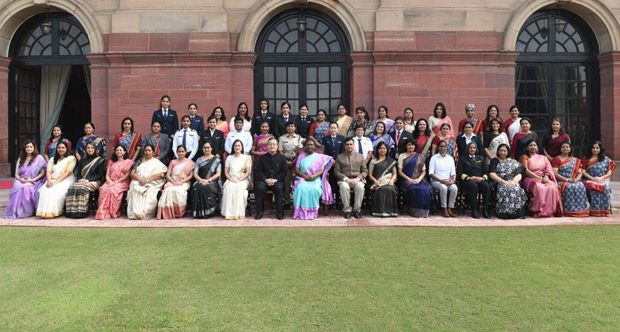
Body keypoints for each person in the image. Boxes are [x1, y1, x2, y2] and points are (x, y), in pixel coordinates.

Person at [3, 140, 47, 219]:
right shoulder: (21, 159)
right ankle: (15, 211)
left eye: (31, 147)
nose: (29, 148)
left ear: (34, 148)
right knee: (17, 186)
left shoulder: (39, 158)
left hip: (34, 181)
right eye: (27, 147)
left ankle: (28, 211)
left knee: (26, 188)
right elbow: (16, 173)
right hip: (21, 180)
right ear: (24, 148)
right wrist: (20, 179)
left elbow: (42, 173)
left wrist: (32, 180)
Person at [293, 138, 334, 220]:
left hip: (315, 179)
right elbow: (297, 169)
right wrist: (305, 177)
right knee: (300, 188)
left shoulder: (319, 157)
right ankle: (301, 212)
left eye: (312, 145)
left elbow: (322, 169)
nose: (310, 146)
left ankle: (312, 212)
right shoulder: (301, 156)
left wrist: (314, 176)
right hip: (302, 178)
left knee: (315, 189)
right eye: (308, 145)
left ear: (314, 146)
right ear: (305, 147)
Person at [520, 140, 562, 218]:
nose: (533, 147)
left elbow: (548, 169)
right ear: (527, 148)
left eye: (534, 145)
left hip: (543, 178)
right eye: (531, 145)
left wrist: (546, 177)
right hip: (530, 179)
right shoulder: (524, 157)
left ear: (537, 147)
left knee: (552, 186)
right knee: (539, 186)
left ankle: (550, 211)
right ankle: (537, 211)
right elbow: (525, 171)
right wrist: (539, 178)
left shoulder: (543, 158)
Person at [65, 142, 106, 218]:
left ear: (95, 149)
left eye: (92, 148)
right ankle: (71, 212)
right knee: (72, 188)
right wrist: (80, 179)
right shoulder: (82, 160)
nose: (90, 150)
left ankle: (82, 212)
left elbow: (100, 175)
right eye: (88, 148)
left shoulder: (99, 160)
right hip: (82, 181)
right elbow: (78, 173)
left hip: (94, 181)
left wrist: (88, 180)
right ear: (85, 150)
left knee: (82, 189)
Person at [36, 141, 76, 218]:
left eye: (63, 148)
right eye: (59, 147)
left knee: (54, 189)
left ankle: (54, 212)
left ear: (67, 149)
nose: (61, 149)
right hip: (52, 179)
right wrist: (49, 181)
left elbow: (67, 173)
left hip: (66, 180)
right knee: (45, 189)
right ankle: (44, 212)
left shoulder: (71, 159)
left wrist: (55, 183)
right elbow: (48, 171)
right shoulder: (52, 159)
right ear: (56, 149)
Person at [126, 145, 168, 220]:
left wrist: (147, 180)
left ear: (153, 153)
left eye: (149, 150)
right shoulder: (139, 161)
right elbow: (132, 173)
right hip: (139, 181)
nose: (147, 152)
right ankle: (134, 213)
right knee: (135, 187)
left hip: (152, 182)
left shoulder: (156, 162)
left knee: (149, 191)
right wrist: (140, 179)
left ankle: (145, 212)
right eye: (145, 150)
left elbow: (161, 174)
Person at [95, 144, 135, 220]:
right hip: (110, 181)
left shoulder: (128, 162)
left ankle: (112, 212)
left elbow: (126, 176)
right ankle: (102, 211)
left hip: (122, 182)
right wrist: (110, 181)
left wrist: (116, 182)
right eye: (117, 150)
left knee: (112, 190)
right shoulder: (111, 162)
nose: (118, 151)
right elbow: (107, 175)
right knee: (103, 189)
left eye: (120, 150)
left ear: (124, 152)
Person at [488, 144, 527, 219]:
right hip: (499, 181)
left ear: (507, 152)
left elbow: (519, 174)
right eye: (500, 151)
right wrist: (503, 181)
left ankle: (517, 214)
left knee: (515, 188)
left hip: (513, 181)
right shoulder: (494, 161)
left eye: (504, 151)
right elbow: (492, 174)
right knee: (506, 189)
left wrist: (514, 182)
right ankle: (505, 213)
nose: (502, 152)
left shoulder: (513, 162)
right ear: (498, 151)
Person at [157, 145, 195, 219]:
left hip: (184, 182)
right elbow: (168, 175)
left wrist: (182, 181)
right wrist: (173, 182)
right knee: (167, 190)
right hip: (172, 181)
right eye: (179, 152)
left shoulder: (190, 162)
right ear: (177, 152)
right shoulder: (173, 162)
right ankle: (169, 212)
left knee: (179, 191)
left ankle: (179, 212)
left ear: (185, 152)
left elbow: (191, 175)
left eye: (182, 151)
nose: (181, 153)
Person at [552, 141, 588, 217]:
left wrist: (576, 180)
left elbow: (580, 172)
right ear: (560, 149)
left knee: (580, 185)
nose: (565, 148)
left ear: (570, 149)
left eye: (567, 147)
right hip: (561, 181)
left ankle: (581, 210)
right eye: (563, 147)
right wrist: (567, 180)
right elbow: (555, 173)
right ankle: (568, 210)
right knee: (569, 187)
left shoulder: (576, 160)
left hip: (574, 180)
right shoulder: (556, 159)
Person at [255, 138, 287, 220]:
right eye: (270, 144)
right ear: (267, 146)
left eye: (274, 144)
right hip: (265, 180)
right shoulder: (262, 158)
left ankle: (279, 213)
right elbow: (259, 171)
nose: (272, 146)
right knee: (259, 187)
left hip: (277, 181)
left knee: (278, 188)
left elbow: (284, 172)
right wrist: (266, 180)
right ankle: (259, 212)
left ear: (277, 146)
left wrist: (275, 180)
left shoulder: (282, 158)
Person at [334, 138, 367, 219]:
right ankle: (347, 210)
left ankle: (357, 210)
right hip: (344, 180)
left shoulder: (360, 156)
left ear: (354, 145)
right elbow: (336, 172)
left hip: (357, 179)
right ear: (345, 146)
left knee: (360, 187)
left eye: (351, 144)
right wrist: (346, 179)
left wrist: (357, 179)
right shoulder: (340, 157)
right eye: (347, 144)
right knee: (344, 187)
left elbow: (365, 171)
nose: (349, 146)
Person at [398, 141, 432, 218]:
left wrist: (419, 179)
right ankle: (413, 211)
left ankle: (423, 212)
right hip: (406, 180)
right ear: (406, 146)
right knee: (414, 189)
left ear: (415, 146)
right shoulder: (402, 156)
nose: (411, 146)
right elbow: (400, 171)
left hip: (419, 179)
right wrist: (409, 179)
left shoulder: (419, 157)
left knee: (426, 189)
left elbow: (424, 171)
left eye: (413, 145)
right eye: (409, 144)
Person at [582, 141, 616, 217]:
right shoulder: (586, 159)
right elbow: (583, 172)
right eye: (593, 148)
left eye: (597, 148)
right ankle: (595, 211)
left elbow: (609, 172)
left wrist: (601, 178)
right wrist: (593, 179)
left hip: (603, 179)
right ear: (590, 149)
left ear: (600, 149)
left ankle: (604, 210)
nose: (595, 149)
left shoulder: (606, 159)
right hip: (589, 179)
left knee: (605, 187)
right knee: (592, 186)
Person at [457, 142, 491, 219]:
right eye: (470, 148)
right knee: (473, 186)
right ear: (467, 149)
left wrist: (483, 178)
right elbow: (459, 172)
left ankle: (485, 210)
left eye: (474, 148)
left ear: (476, 149)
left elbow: (485, 172)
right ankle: (474, 210)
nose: (472, 149)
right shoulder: (462, 158)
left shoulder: (481, 158)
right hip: (467, 180)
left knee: (486, 186)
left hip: (480, 179)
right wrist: (469, 178)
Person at [221, 140, 252, 219]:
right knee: (229, 188)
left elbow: (248, 172)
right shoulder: (229, 158)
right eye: (235, 146)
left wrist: (239, 179)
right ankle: (229, 213)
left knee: (238, 187)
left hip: (242, 179)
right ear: (233, 147)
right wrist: (231, 179)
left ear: (242, 147)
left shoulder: (246, 158)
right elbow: (226, 172)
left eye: (239, 146)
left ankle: (239, 212)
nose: (237, 147)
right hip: (231, 178)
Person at [191, 142, 222, 218]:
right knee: (197, 187)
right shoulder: (199, 159)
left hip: (212, 181)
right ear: (202, 149)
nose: (206, 149)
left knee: (206, 188)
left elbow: (218, 174)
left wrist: (208, 180)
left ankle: (209, 212)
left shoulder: (216, 160)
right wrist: (201, 180)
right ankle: (198, 213)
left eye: (208, 147)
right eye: (205, 147)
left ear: (211, 148)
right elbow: (195, 173)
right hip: (200, 180)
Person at [368, 142, 398, 217]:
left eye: (384, 148)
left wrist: (391, 181)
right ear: (377, 150)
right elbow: (370, 174)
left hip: (388, 181)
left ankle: (390, 212)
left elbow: (394, 173)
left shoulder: (391, 161)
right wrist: (375, 181)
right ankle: (378, 211)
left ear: (387, 150)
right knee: (381, 189)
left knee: (390, 189)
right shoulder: (373, 161)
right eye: (380, 148)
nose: (382, 150)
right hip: (376, 182)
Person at [278, 122, 304, 209]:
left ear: (295, 128)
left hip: (296, 162)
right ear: (286, 128)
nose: (290, 128)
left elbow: (300, 152)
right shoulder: (282, 138)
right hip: (285, 161)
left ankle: (298, 201)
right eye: (288, 126)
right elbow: (280, 151)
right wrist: (285, 161)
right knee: (287, 182)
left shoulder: (299, 138)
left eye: (292, 126)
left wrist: (294, 161)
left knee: (298, 182)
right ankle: (287, 201)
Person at [429, 140, 457, 217]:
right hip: (436, 181)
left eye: (444, 146)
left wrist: (453, 181)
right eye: (441, 146)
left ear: (446, 148)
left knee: (454, 188)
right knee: (443, 188)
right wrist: (441, 181)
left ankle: (449, 208)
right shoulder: (434, 158)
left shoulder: (450, 158)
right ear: (438, 148)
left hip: (448, 181)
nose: (443, 148)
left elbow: (453, 172)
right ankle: (444, 208)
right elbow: (431, 173)